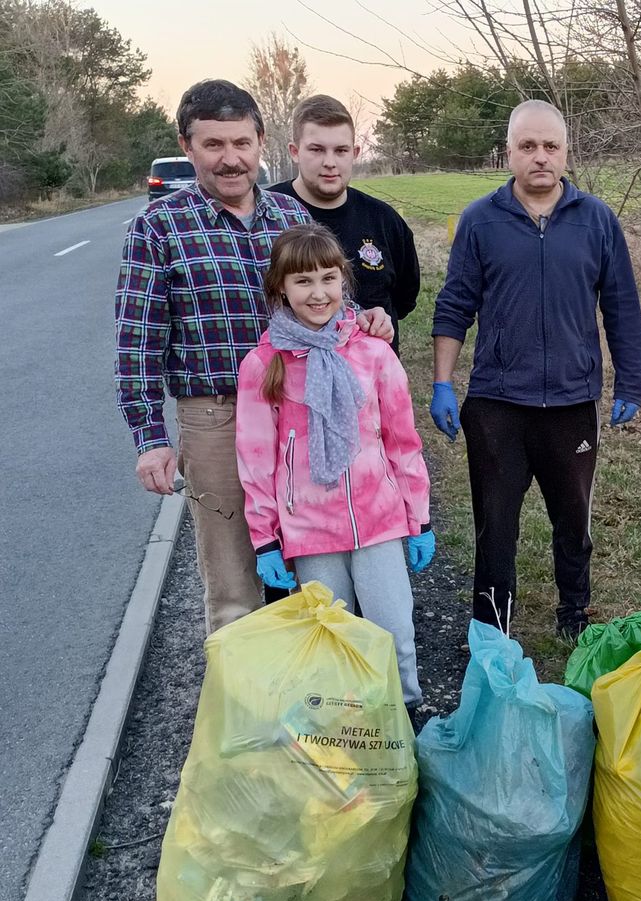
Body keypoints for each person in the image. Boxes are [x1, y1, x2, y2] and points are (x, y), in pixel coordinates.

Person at [115, 79, 392, 635]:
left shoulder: (291, 216)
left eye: (241, 143)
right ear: (187, 145)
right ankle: (244, 714)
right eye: (213, 144)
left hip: (302, 406)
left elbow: (330, 300)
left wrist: (364, 320)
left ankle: (322, 703)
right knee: (235, 583)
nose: (231, 159)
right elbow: (137, 343)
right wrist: (149, 439)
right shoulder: (159, 228)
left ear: (261, 141)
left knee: (314, 560)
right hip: (215, 414)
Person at [430, 99, 641, 640]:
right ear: (509, 152)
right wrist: (441, 383)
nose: (540, 157)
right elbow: (455, 303)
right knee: (495, 526)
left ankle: (574, 617)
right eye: (528, 146)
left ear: (566, 153)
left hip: (573, 404)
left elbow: (621, 304)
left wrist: (632, 380)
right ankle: (491, 627)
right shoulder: (480, 220)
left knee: (573, 523)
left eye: (551, 146)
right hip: (498, 404)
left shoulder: (597, 219)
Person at [235, 223, 434, 707]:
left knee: (391, 629)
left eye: (328, 279)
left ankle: (404, 719)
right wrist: (266, 539)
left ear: (343, 282)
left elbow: (402, 441)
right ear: (280, 286)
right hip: (311, 529)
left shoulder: (372, 354)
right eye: (303, 281)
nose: (318, 293)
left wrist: (418, 518)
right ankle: (349, 733)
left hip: (379, 520)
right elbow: (257, 461)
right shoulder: (265, 364)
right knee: (334, 638)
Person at [270, 94, 420, 356]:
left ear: (355, 153)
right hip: (290, 383)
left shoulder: (384, 220)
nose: (330, 162)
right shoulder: (270, 214)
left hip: (372, 383)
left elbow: (403, 300)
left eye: (341, 150)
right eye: (317, 150)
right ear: (295, 151)